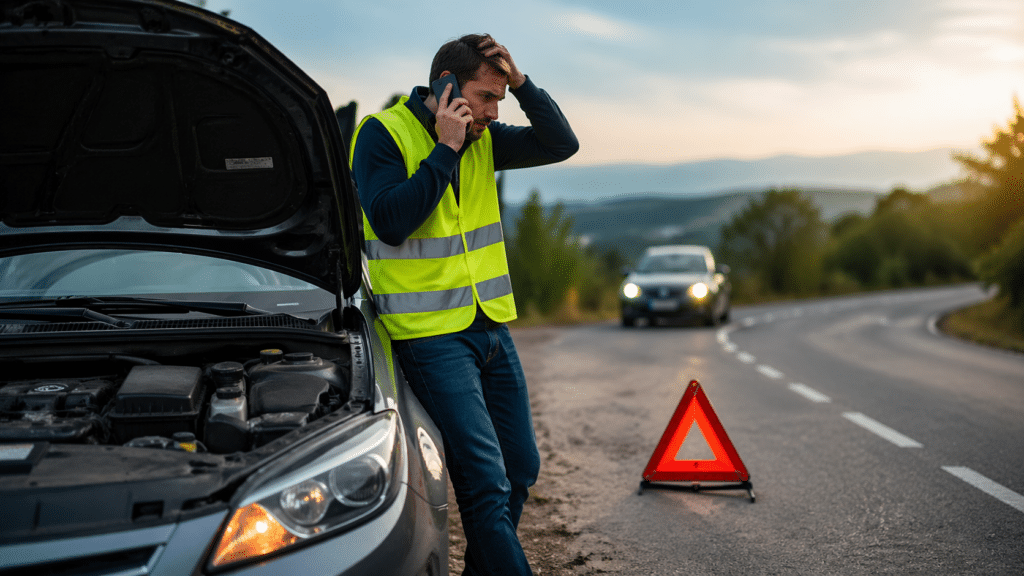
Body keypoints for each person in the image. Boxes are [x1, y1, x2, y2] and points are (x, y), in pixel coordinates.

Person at [349, 34, 578, 575]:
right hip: (429, 335)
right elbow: (391, 222)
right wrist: (445, 149)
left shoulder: (485, 137)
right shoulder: (382, 133)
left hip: (490, 326)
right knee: (485, 482)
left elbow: (561, 144)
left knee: (519, 469)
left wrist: (521, 83)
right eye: (486, 96)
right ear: (446, 87)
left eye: (501, 97)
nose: (494, 111)